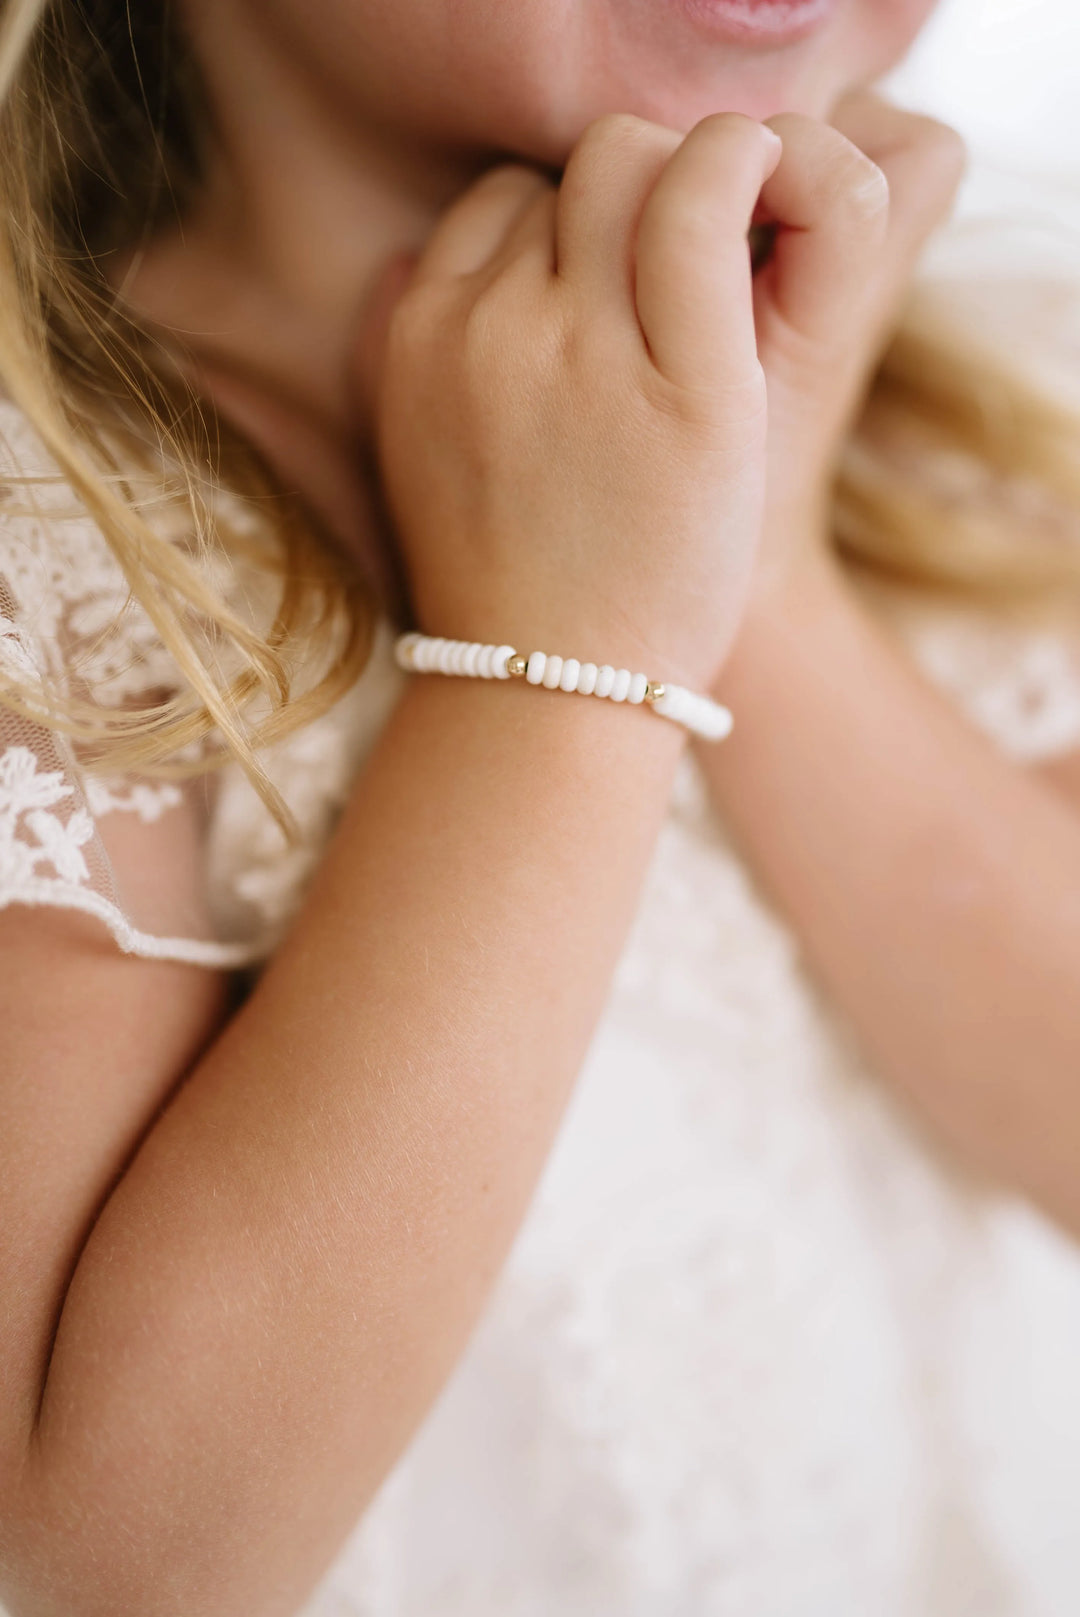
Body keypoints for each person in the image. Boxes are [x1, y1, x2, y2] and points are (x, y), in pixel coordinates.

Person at [1, 0, 1079, 1611]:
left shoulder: (996, 413)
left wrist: (757, 571)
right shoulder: (57, 567)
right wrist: (566, 657)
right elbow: (105, 1563)